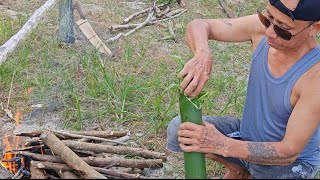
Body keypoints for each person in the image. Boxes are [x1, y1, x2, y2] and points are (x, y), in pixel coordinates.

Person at [166, 0, 320, 179]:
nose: (269, 31)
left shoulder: (314, 76)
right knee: (180, 129)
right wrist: (202, 53)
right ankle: (241, 169)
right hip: (246, 136)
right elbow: (200, 25)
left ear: (314, 28)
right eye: (267, 18)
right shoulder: (260, 30)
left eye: (283, 29)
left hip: (289, 163)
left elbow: (289, 152)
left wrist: (222, 144)